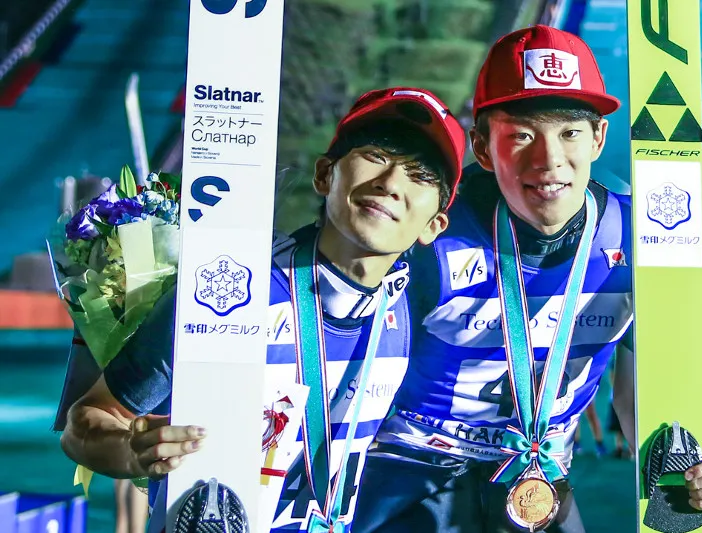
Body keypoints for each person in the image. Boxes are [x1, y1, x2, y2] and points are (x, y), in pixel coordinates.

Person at [353, 26, 702, 533]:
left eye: (569, 133)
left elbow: (639, 396)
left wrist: (694, 475)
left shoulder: (644, 235)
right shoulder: (429, 232)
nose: (549, 160)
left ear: (598, 138)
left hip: (538, 482)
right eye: (522, 135)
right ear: (482, 147)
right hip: (407, 474)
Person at [59, 86, 466, 533]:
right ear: (325, 175)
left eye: (419, 175)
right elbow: (85, 423)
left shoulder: (404, 311)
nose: (390, 183)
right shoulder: (232, 289)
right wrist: (129, 450)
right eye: (376, 155)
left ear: (434, 226)